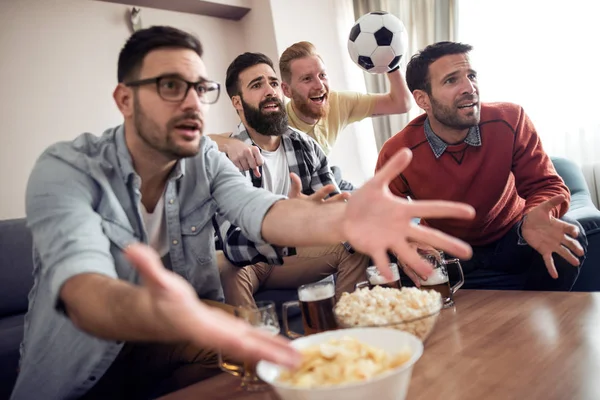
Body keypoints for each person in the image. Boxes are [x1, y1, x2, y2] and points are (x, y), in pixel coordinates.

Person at [11, 25, 475, 399]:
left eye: (199, 88)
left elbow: (263, 212)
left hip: (182, 328)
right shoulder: (67, 168)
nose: (192, 101)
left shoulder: (206, 160)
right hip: (81, 372)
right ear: (125, 100)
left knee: (286, 367)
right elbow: (83, 294)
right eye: (172, 86)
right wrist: (179, 316)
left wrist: (343, 219)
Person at [376, 41, 587, 291]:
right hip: (449, 250)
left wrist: (534, 217)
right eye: (451, 81)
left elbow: (548, 185)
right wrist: (406, 243)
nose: (469, 88)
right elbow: (382, 215)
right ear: (423, 99)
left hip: (513, 238)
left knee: (571, 234)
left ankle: (532, 319)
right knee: (385, 259)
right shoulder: (398, 151)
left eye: (471, 76)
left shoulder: (511, 119)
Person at [215, 52, 370, 307]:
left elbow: (335, 211)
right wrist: (285, 225)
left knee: (355, 244)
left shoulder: (305, 146)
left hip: (288, 256)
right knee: (225, 270)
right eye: (257, 85)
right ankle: (255, 345)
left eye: (273, 83)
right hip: (243, 262)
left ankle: (351, 335)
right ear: (238, 102)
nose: (270, 91)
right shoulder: (226, 156)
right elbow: (232, 244)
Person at [210, 41, 413, 190]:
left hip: (326, 176)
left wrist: (391, 62)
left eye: (322, 75)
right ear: (287, 91)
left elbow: (401, 103)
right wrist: (229, 143)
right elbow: (236, 137)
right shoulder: (274, 119)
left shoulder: (338, 102)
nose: (319, 85)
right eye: (307, 79)